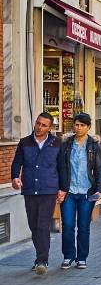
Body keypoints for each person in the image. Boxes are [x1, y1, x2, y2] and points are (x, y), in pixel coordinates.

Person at [11, 112, 64, 275]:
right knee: (34, 226)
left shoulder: (57, 143)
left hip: (48, 189)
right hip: (29, 190)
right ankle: (39, 258)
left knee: (42, 225)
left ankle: (42, 260)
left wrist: (63, 188)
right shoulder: (24, 142)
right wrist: (15, 177)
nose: (39, 127)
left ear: (50, 128)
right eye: (38, 123)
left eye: (44, 125)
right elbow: (17, 162)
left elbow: (62, 167)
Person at [57, 113, 101, 270]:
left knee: (83, 226)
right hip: (69, 192)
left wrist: (99, 190)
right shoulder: (66, 144)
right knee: (68, 225)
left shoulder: (93, 146)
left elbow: (99, 170)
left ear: (88, 127)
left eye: (82, 125)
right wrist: (60, 187)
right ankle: (68, 256)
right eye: (76, 125)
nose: (79, 128)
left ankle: (82, 257)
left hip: (87, 192)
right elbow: (60, 167)